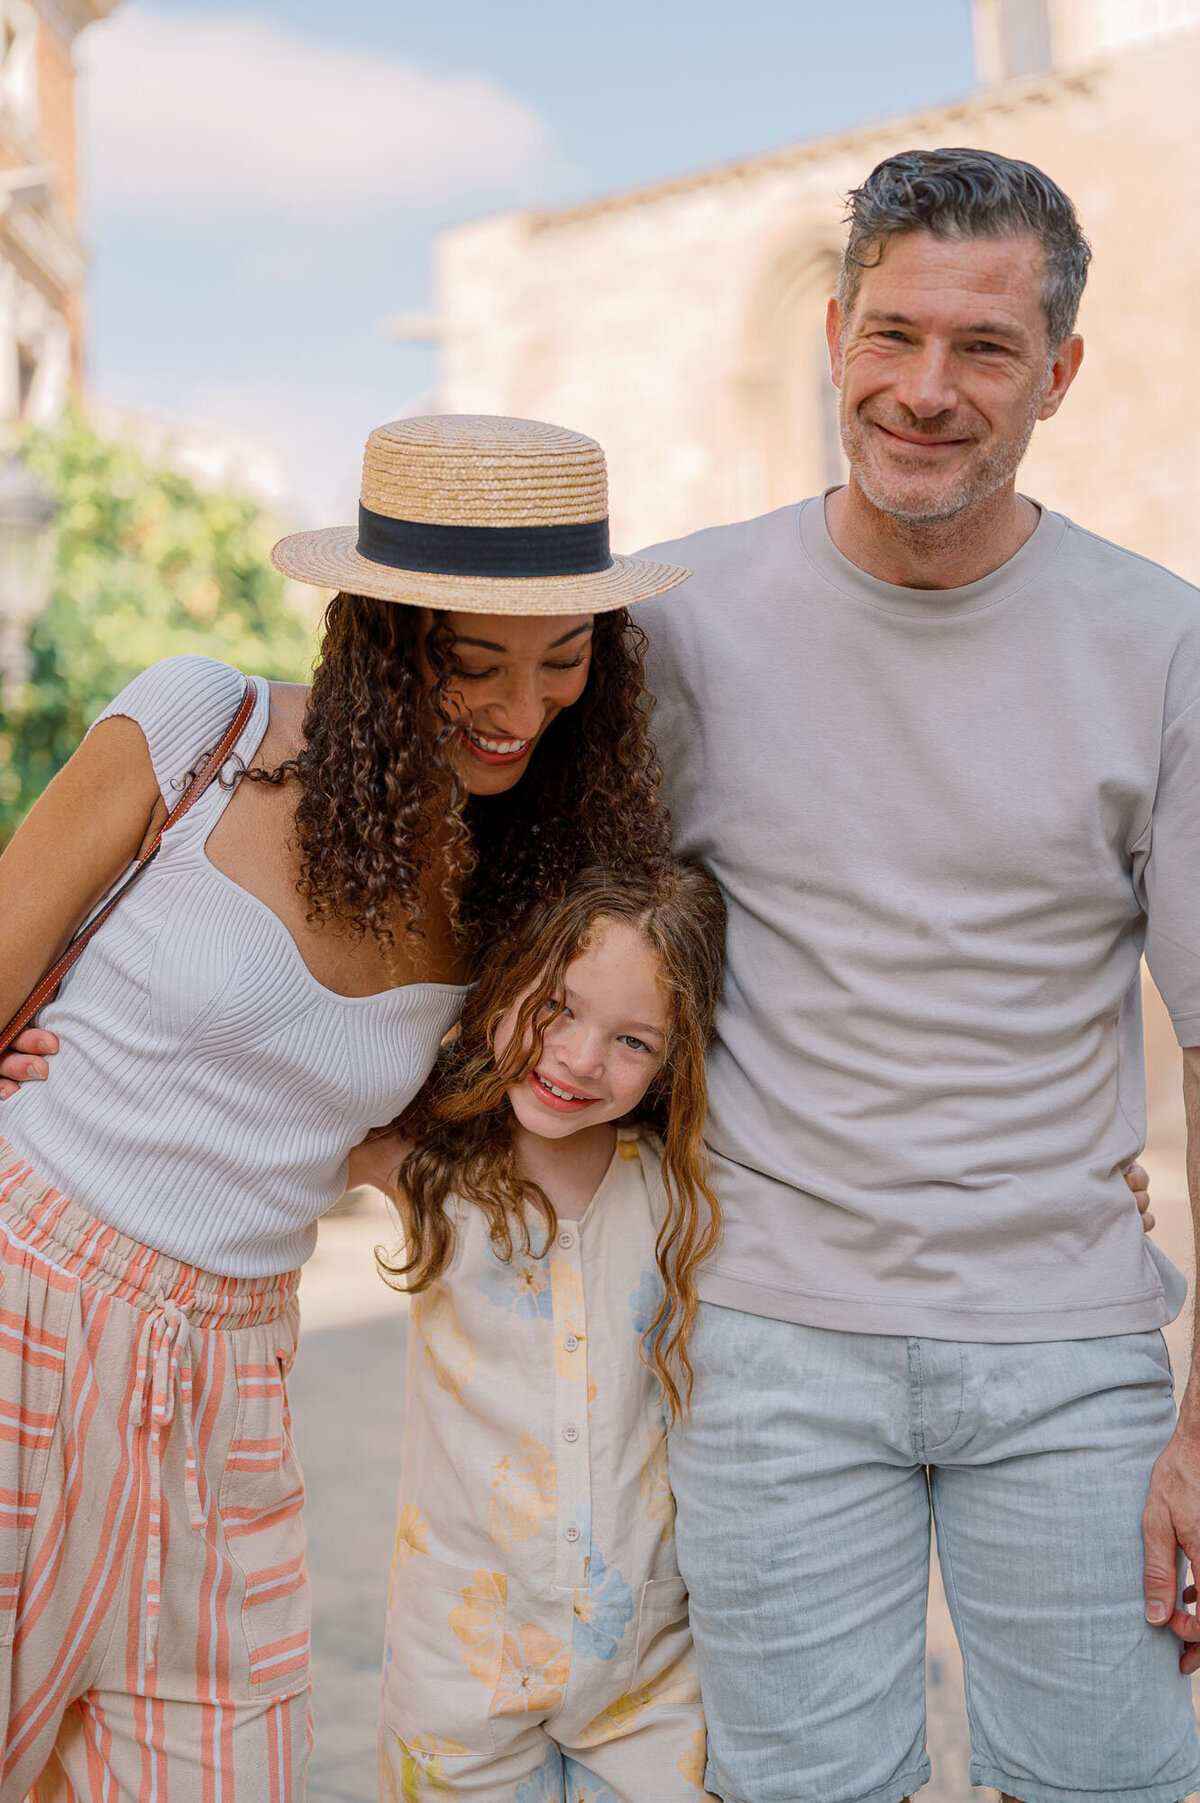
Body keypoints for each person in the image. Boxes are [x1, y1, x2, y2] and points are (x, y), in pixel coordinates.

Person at [0, 414, 686, 1801]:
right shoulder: (203, 724)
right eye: (473, 660)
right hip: (28, 1292)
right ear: (384, 640)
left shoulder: (521, 878)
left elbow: (518, 1117)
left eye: (563, 665)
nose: (521, 706)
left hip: (236, 1370)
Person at [632, 149, 1200, 1803]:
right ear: (830, 336)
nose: (926, 391)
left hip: (1071, 1346)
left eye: (986, 348)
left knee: (1109, 1784)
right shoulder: (681, 619)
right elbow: (522, 915)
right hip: (765, 1338)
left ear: (1061, 373)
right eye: (892, 336)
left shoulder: (1162, 644)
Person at [375, 860, 724, 1803]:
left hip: (650, 1684)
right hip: (460, 1677)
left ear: (671, 1060)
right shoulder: (421, 1158)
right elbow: (241, 1116)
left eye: (631, 1040)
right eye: (558, 1007)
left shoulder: (681, 1184)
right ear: (508, 977)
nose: (577, 1058)